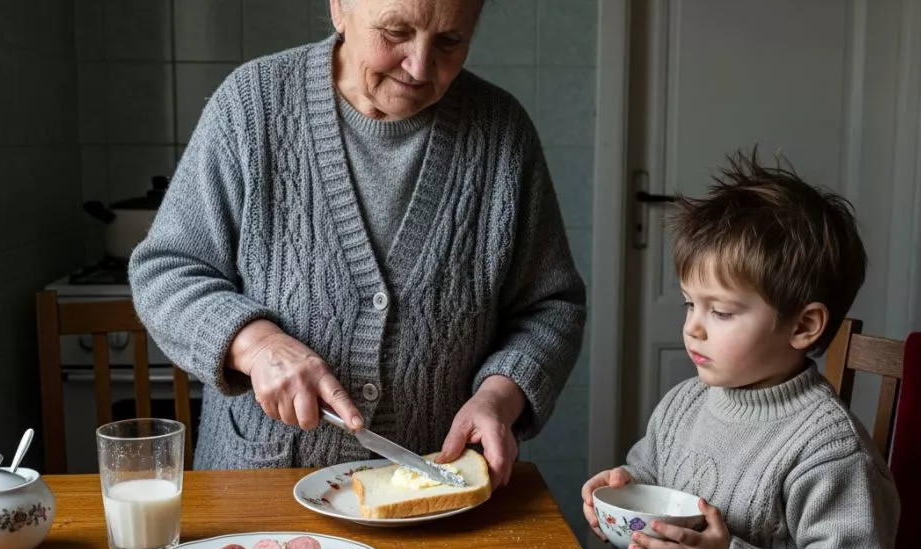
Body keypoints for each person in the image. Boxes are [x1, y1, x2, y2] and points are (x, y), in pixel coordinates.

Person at [128, 0, 585, 487]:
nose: (420, 64)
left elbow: (550, 306)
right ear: (339, 9)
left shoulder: (502, 133)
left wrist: (500, 395)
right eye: (395, 32)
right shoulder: (252, 105)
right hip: (263, 488)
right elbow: (166, 270)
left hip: (430, 488)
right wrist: (255, 346)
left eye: (450, 41)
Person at [581, 152, 900, 549]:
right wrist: (621, 489)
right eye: (690, 304)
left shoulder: (828, 450)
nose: (693, 328)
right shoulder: (684, 404)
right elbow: (648, 473)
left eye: (721, 312)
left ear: (803, 326)